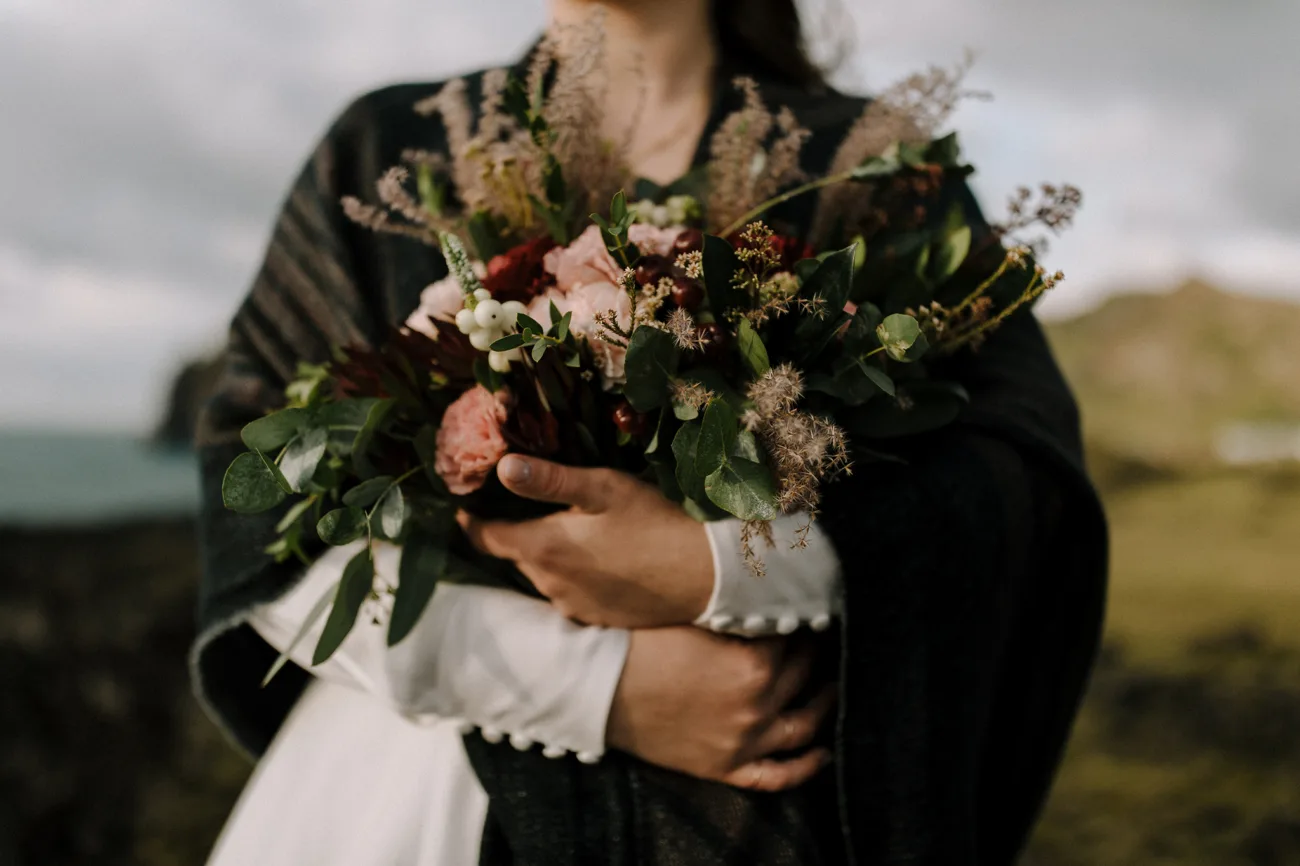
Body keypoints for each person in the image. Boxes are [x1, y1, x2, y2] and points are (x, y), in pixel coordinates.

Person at [191, 1, 1109, 864]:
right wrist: (595, 686)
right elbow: (255, 492)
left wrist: (727, 566)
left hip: (768, 819)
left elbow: (1016, 481)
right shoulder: (390, 147)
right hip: (413, 807)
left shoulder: (872, 162)